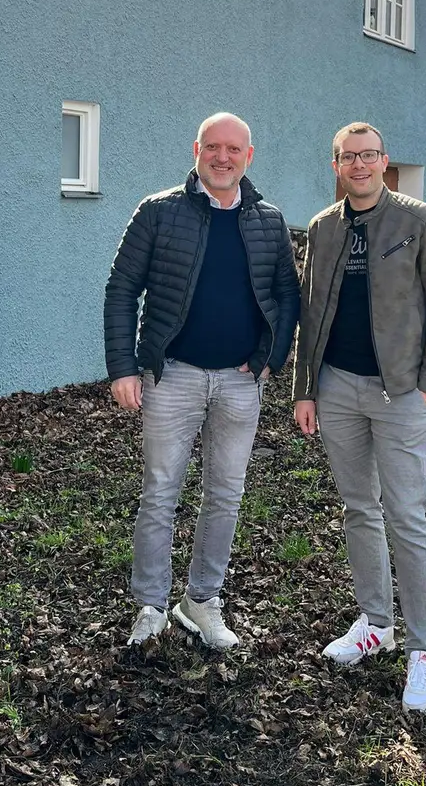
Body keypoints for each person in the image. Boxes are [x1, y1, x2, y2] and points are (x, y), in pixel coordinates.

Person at [103, 112, 300, 649]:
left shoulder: (268, 220)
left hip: (241, 383)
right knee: (161, 492)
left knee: (226, 494)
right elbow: (121, 289)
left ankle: (201, 600)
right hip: (173, 377)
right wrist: (123, 366)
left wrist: (270, 358)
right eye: (213, 147)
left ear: (249, 157)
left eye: (233, 149)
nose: (222, 157)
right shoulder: (159, 212)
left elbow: (287, 297)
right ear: (196, 150)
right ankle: (149, 606)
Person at [291, 122, 426, 716]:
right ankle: (375, 623)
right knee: (357, 507)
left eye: (369, 155)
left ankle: (424, 653)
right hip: (337, 388)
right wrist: (305, 390)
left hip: (402, 394)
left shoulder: (419, 220)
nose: (359, 165)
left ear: (384, 161)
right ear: (335, 163)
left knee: (407, 517)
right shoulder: (322, 228)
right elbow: (311, 315)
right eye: (348, 157)